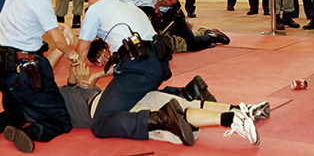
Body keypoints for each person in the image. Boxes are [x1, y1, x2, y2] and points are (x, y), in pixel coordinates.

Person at [45, 49, 268, 146]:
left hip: (111, 104)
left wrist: (71, 56)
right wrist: (58, 46)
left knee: (176, 111)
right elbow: (46, 70)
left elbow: (74, 69)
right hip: (114, 103)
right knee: (177, 108)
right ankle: (239, 112)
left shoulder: (66, 89)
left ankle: (237, 115)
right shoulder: (53, 103)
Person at [74, 0, 188, 143]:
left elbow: (81, 52)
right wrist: (97, 75)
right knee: (138, 99)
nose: (88, 3)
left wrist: (71, 83)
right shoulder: (131, 6)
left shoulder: (96, 8)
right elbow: (131, 59)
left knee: (100, 122)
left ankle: (161, 118)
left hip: (139, 68)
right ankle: (188, 93)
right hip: (158, 65)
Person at [0, 0, 79, 153]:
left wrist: (63, 26)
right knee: (60, 119)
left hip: (3, 68)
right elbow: (57, 40)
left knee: (15, 114)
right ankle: (31, 133)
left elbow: (31, 21)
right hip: (25, 72)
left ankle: (11, 124)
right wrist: (71, 54)